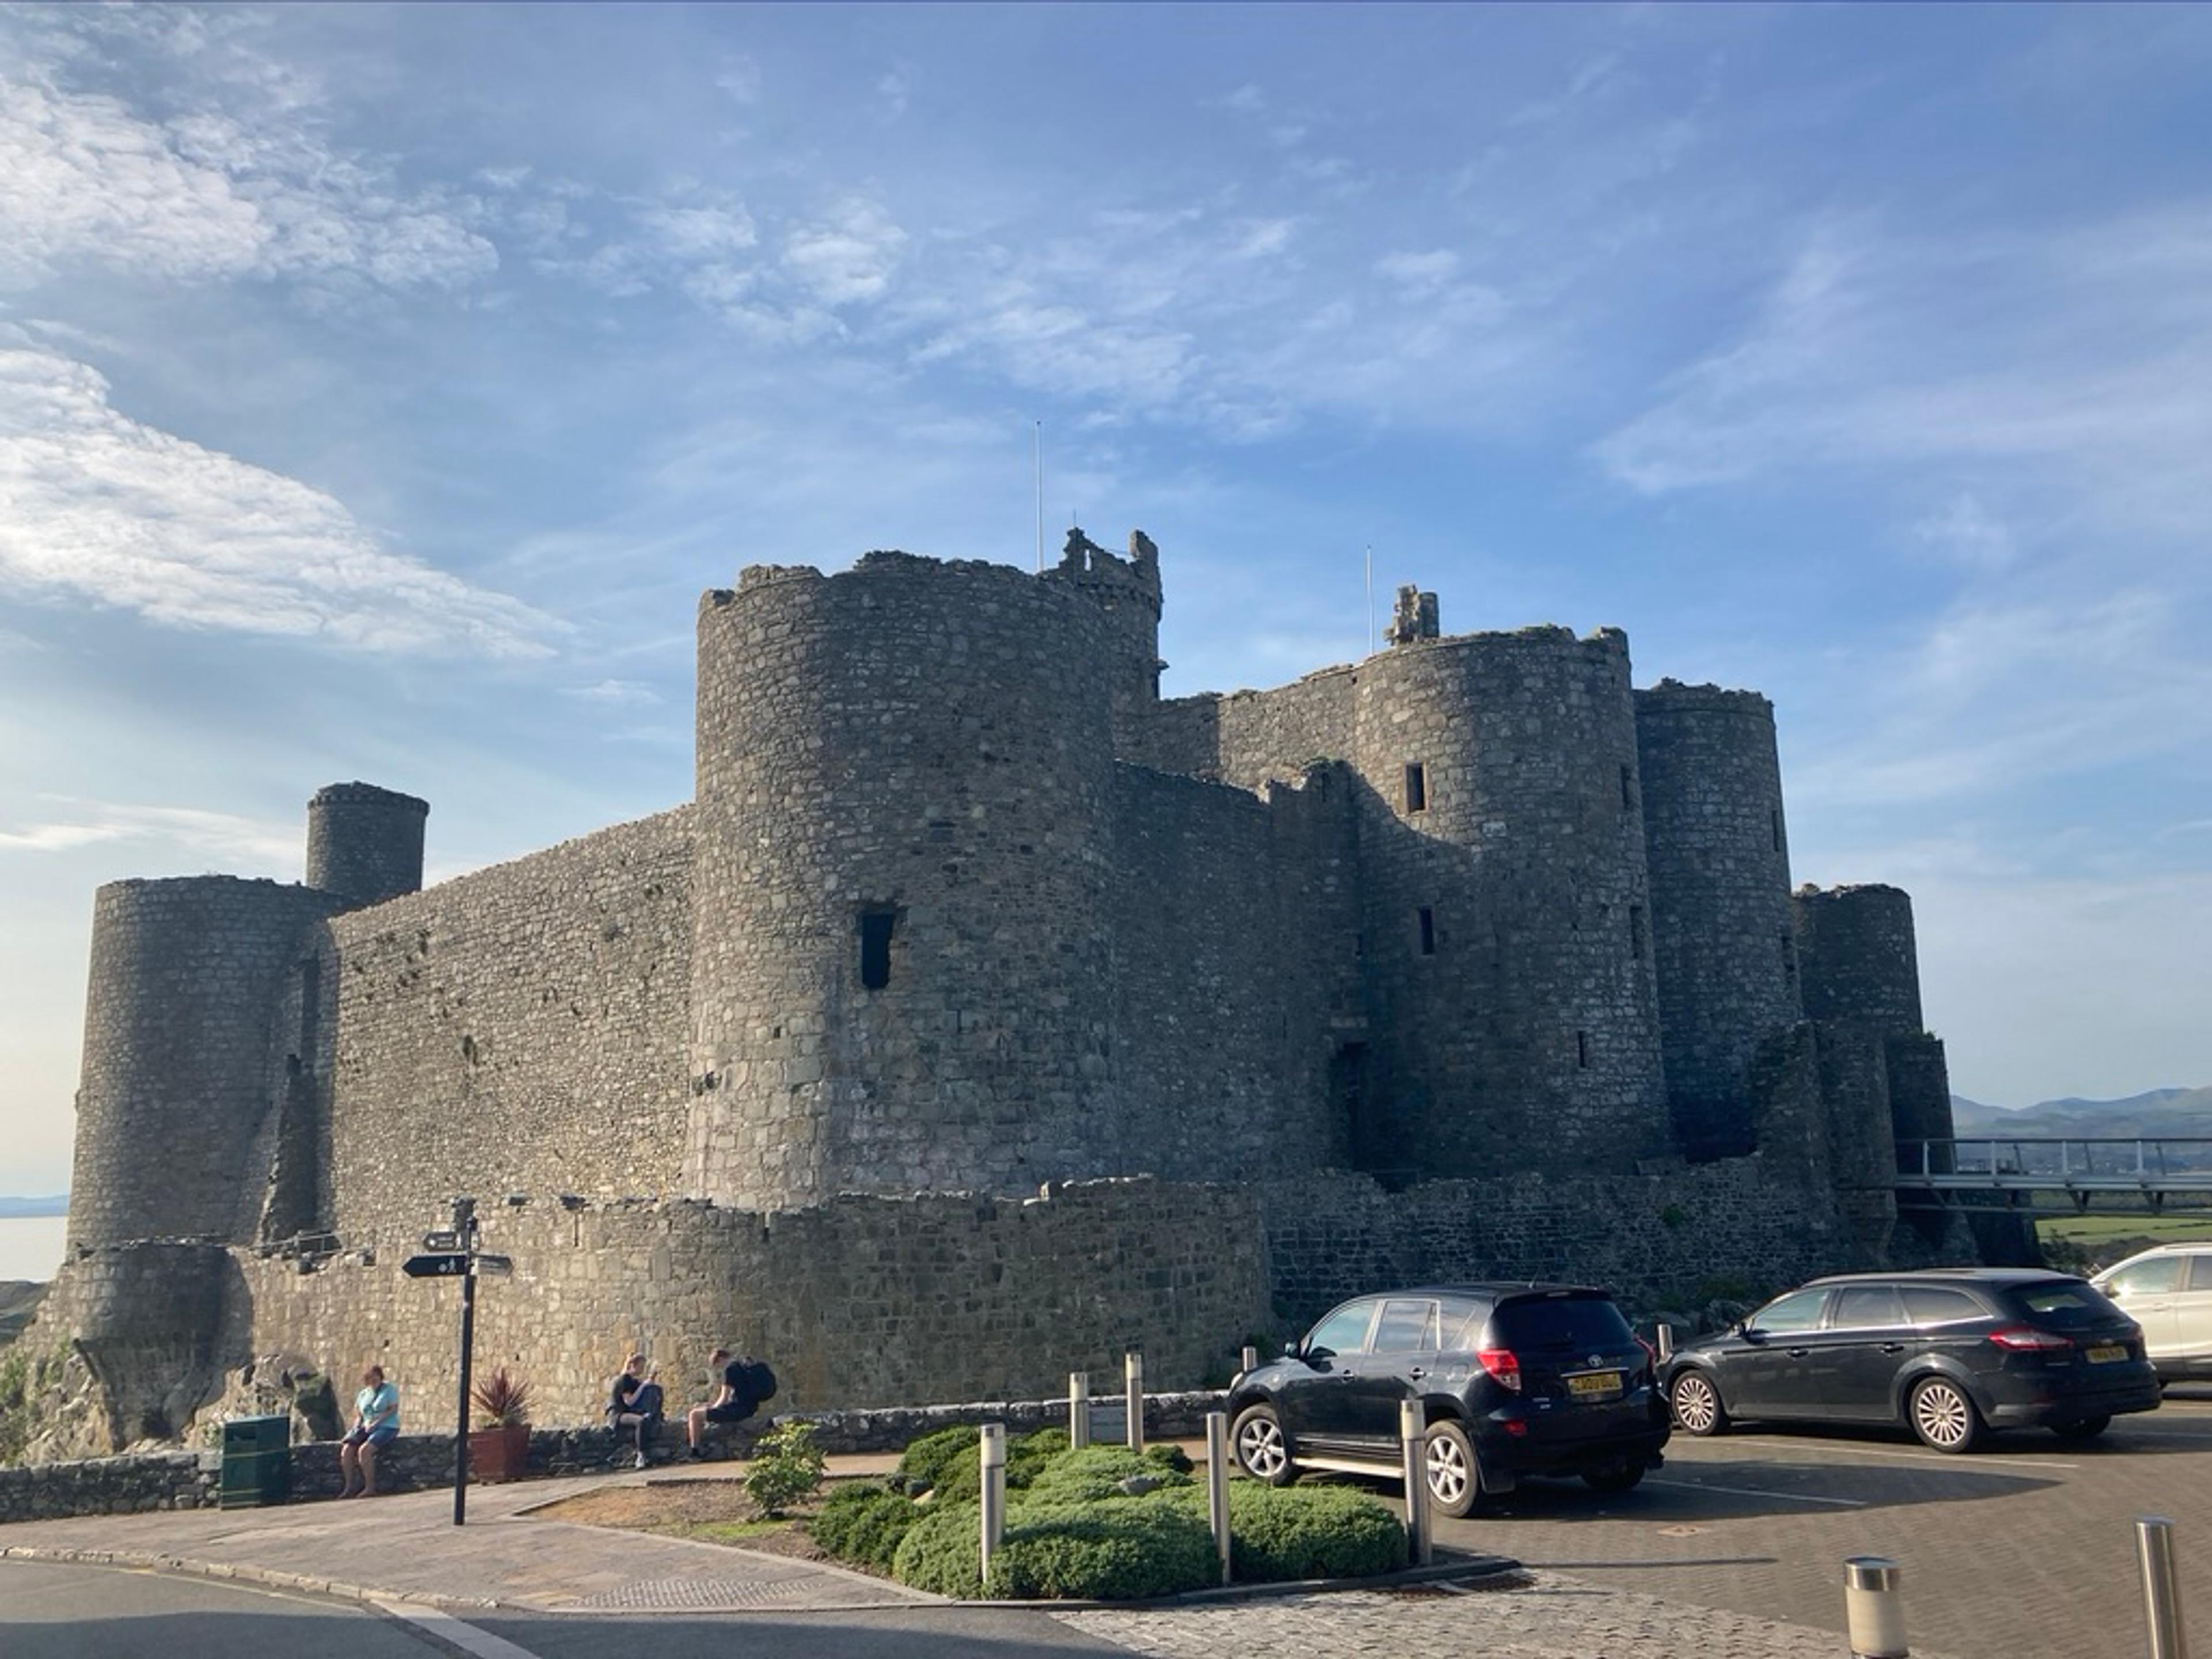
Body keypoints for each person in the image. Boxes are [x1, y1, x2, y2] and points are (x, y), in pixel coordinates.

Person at [685, 1346, 775, 1457]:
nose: (719, 1369)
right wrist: (710, 1407)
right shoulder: (744, 1366)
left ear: (720, 1360)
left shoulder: (730, 1370)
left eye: (717, 1365)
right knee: (701, 1411)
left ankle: (694, 1451)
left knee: (694, 1415)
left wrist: (710, 1409)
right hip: (749, 1408)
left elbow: (723, 1399)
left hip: (737, 1411)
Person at [338, 1364, 399, 1498]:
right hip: (365, 1427)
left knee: (365, 1450)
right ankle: (349, 1486)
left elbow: (392, 1409)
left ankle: (370, 1487)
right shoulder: (364, 1394)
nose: (373, 1379)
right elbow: (360, 1414)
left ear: (380, 1376)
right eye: (369, 1377)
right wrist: (356, 1429)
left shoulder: (389, 1390)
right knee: (347, 1450)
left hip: (387, 1426)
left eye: (375, 1376)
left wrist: (376, 1423)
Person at [607, 1352, 665, 1469]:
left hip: (630, 1411)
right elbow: (629, 1402)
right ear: (634, 1366)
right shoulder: (625, 1380)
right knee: (641, 1421)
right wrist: (643, 1386)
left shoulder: (634, 1381)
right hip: (619, 1414)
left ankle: (647, 1455)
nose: (642, 1370)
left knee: (650, 1418)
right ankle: (641, 1455)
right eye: (641, 1367)